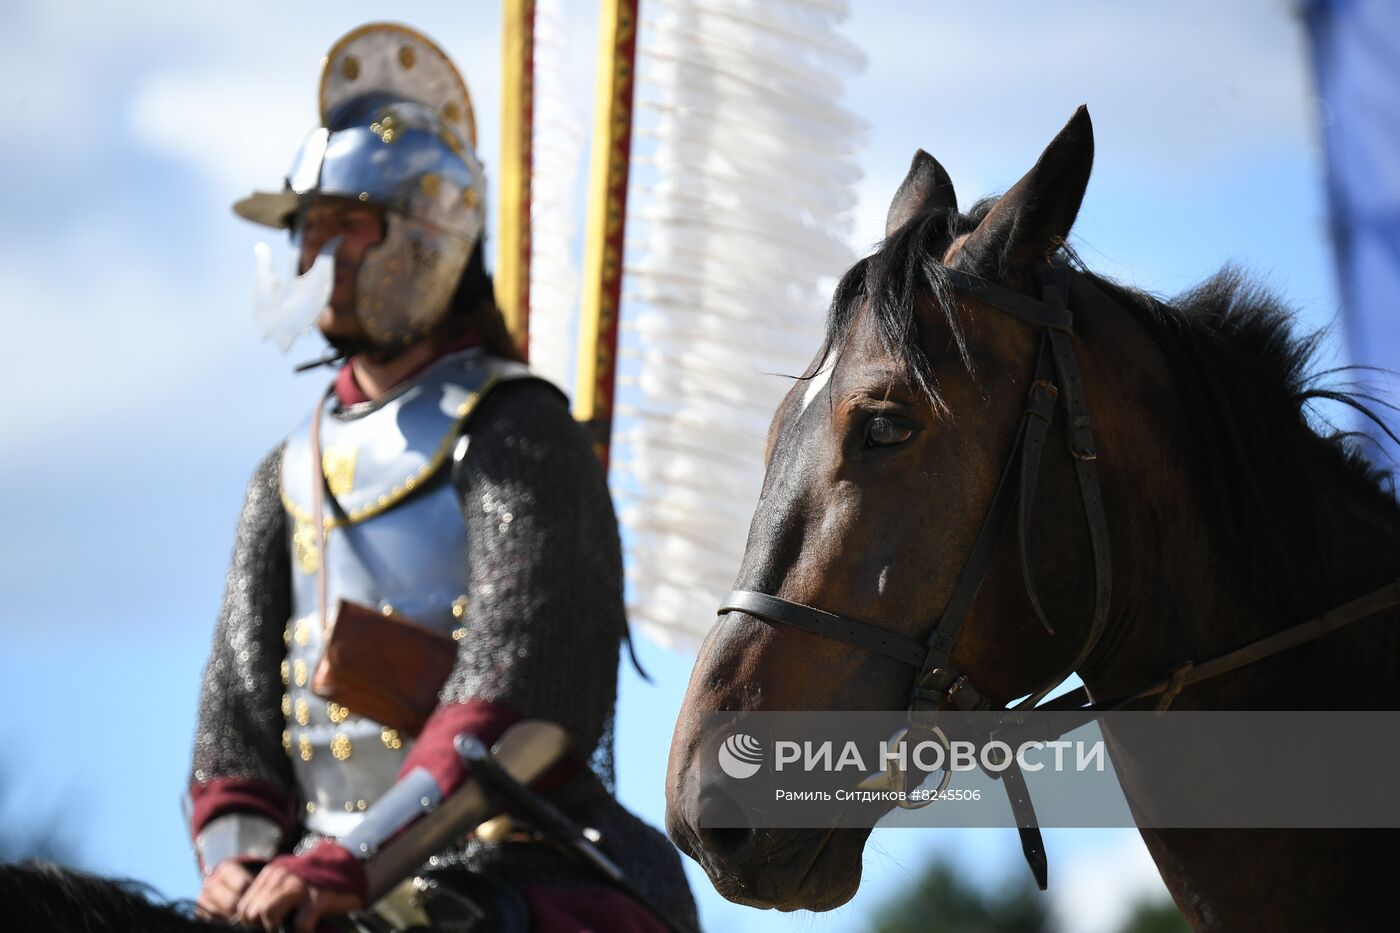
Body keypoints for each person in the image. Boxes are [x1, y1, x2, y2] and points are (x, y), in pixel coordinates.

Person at [186, 22, 697, 933]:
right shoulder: (287, 472)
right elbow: (236, 726)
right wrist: (238, 860)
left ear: (426, 237)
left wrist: (353, 863)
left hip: (520, 857)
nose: (319, 257)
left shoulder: (517, 432)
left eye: (349, 226)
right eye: (309, 230)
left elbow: (523, 698)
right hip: (312, 873)